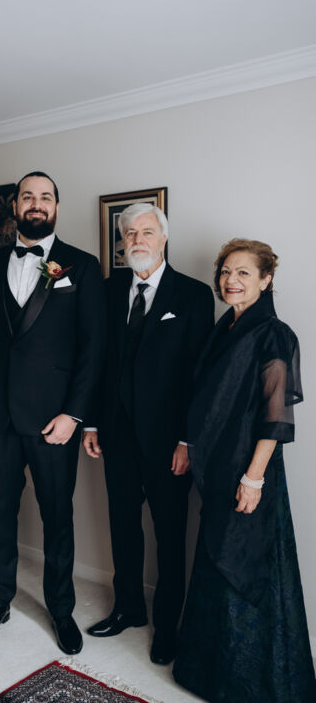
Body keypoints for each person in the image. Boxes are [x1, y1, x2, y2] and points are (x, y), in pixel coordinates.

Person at [173, 239, 315, 702]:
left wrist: (253, 478)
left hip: (250, 469)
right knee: (215, 556)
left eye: (243, 273)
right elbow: (204, 398)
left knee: (244, 560)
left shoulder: (274, 334)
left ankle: (248, 686)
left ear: (266, 279)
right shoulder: (224, 327)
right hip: (218, 466)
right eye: (225, 272)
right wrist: (190, 444)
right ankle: (208, 674)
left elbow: (275, 417)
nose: (230, 281)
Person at [0, 171, 106, 655]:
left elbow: (94, 348)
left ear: (56, 206)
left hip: (54, 420)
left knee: (57, 518)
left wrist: (74, 414)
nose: (36, 203)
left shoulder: (82, 266)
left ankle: (61, 610)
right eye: (27, 196)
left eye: (45, 196)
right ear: (15, 206)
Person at [83, 203, 214, 665]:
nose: (137, 240)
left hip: (169, 442)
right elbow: (96, 360)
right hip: (115, 433)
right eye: (130, 233)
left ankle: (166, 627)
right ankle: (128, 608)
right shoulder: (108, 290)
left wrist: (188, 440)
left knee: (170, 533)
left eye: (147, 232)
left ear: (163, 238)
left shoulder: (194, 295)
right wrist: (92, 422)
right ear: (122, 242)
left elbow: (200, 374)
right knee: (122, 525)